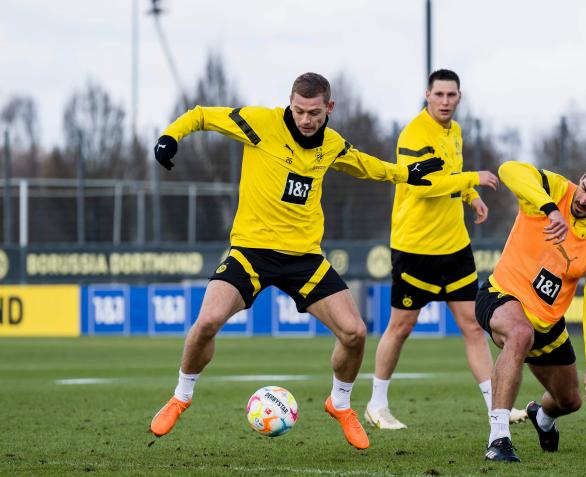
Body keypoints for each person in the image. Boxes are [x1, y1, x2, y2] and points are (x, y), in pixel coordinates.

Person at [148, 72, 444, 450]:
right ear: (290, 103)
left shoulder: (331, 144)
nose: (305, 119)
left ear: (329, 108)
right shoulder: (260, 123)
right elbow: (202, 115)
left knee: (355, 333)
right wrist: (171, 136)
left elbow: (364, 164)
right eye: (299, 110)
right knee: (206, 321)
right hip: (251, 252)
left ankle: (340, 404)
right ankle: (181, 396)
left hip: (305, 258)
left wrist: (406, 173)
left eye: (314, 113)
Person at [364, 69, 526, 430]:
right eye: (438, 94)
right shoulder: (414, 134)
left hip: (455, 246)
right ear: (427, 95)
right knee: (401, 326)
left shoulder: (454, 132)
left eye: (451, 95)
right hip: (416, 248)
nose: (445, 101)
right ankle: (376, 404)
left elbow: (451, 171)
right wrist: (472, 179)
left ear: (459, 97)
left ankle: (496, 408)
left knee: (473, 327)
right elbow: (421, 185)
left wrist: (470, 195)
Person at [476, 158, 586, 462]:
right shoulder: (553, 188)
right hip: (500, 295)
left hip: (547, 325)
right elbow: (508, 170)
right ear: (582, 176)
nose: (583, 199)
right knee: (520, 333)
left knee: (569, 401)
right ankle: (499, 438)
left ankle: (542, 417)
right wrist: (550, 209)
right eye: (584, 188)